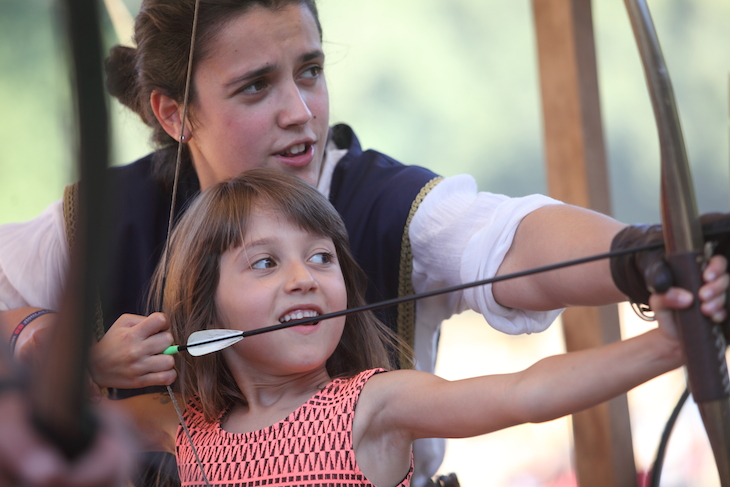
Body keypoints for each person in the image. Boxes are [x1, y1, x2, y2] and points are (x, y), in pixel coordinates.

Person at [1, 0, 728, 484]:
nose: (300, 112)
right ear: (174, 111)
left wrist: (641, 256)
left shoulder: (373, 373)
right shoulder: (104, 222)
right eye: (256, 87)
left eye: (310, 72)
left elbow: (509, 252)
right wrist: (53, 345)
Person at [119, 169, 727, 487]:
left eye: (322, 257)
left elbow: (527, 393)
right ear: (205, 308)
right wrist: (97, 366)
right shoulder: (184, 421)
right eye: (264, 262)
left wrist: (671, 343)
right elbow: (53, 416)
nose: (304, 277)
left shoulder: (371, 404)